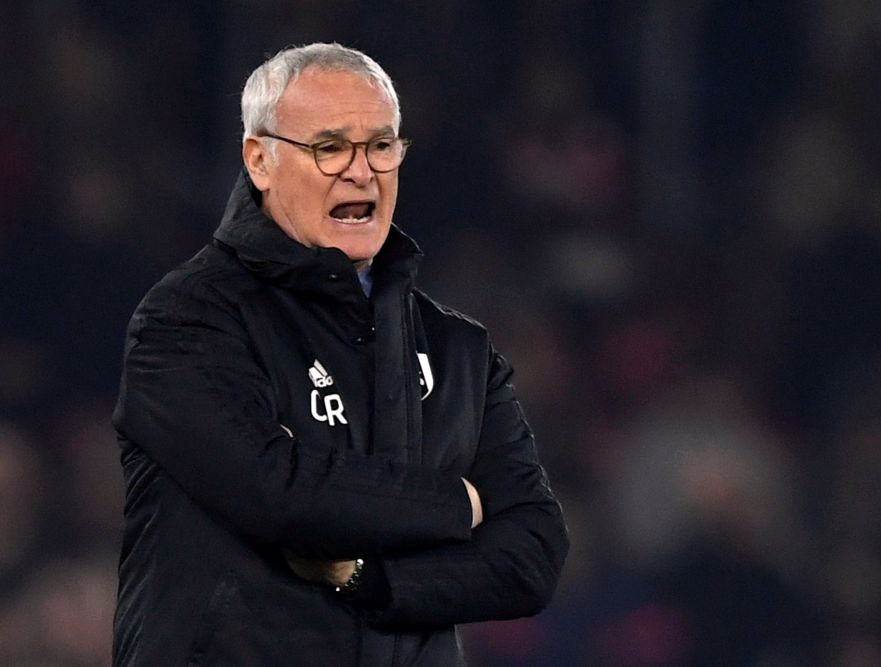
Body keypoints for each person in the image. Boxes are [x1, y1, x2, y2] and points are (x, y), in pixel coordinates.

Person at [111, 42, 568, 666]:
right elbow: (274, 491)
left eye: (381, 146)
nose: (362, 172)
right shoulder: (190, 318)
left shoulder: (458, 349)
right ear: (259, 160)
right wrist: (458, 503)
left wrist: (368, 578)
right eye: (329, 148)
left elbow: (532, 556)